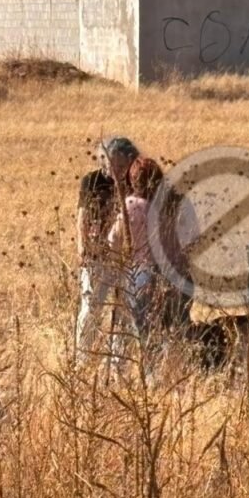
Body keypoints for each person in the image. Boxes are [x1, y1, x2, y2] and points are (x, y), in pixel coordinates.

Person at [75, 136, 139, 363]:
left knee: (125, 310)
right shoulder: (92, 181)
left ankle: (118, 363)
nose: (117, 170)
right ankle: (83, 360)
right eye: (113, 164)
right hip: (96, 255)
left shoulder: (135, 184)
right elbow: (82, 217)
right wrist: (82, 246)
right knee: (91, 307)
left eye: (122, 165)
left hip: (126, 258)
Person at [108, 156, 165, 340]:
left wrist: (118, 262)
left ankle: (127, 360)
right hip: (156, 274)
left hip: (133, 273)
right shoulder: (159, 208)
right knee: (153, 328)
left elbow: (112, 239)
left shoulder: (130, 205)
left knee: (130, 329)